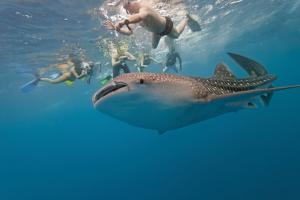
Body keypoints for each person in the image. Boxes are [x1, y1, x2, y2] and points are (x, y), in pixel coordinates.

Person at [104, 0, 201, 49]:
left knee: (176, 35)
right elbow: (130, 32)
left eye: (128, 5)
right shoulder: (132, 15)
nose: (127, 10)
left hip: (166, 25)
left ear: (133, 2)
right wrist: (118, 29)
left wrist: (123, 22)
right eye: (126, 9)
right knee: (154, 46)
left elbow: (141, 16)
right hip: (156, 32)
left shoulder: (143, 8)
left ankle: (187, 19)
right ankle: (185, 20)